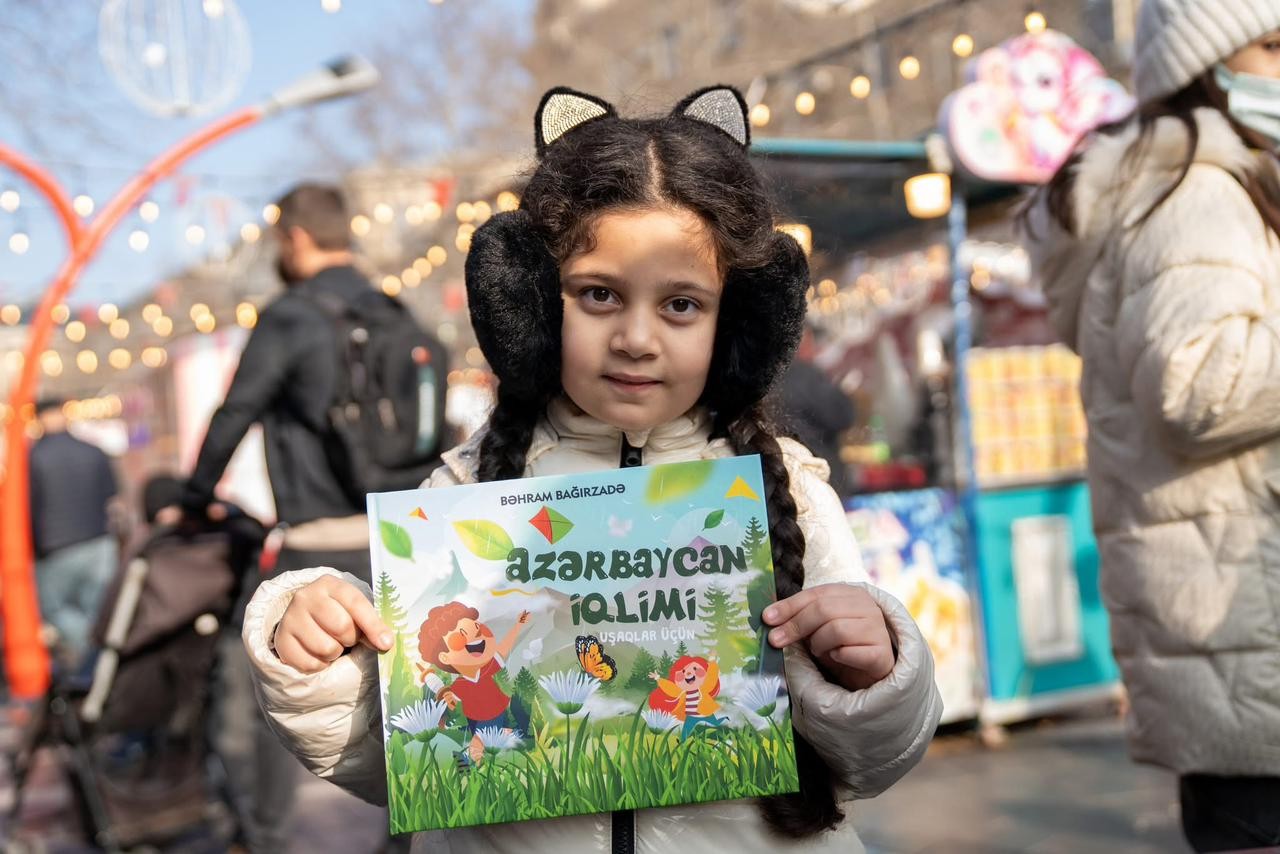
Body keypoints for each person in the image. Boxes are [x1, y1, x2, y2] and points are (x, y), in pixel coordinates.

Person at [241, 85, 942, 853]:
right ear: (536, 301)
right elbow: (395, 758)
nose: (637, 338)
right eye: (599, 295)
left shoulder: (793, 495)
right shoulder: (462, 497)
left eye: (682, 305)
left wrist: (871, 674)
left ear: (734, 317)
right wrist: (318, 664)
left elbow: (871, 762)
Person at [1024, 2, 1280, 849]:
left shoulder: (1172, 179)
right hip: (1249, 636)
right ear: (1203, 64)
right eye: (1274, 46)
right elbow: (1200, 382)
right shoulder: (1198, 187)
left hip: (1233, 634)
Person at [180, 184, 426, 853]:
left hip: (317, 551)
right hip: (409, 538)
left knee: (255, 696)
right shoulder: (396, 311)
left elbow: (235, 412)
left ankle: (265, 837)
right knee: (412, 704)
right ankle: (404, 843)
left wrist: (193, 494)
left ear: (293, 237)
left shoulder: (291, 316)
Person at [28, 396, 119, 670]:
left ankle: (87, 666)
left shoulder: (32, 458)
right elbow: (111, 496)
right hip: (99, 543)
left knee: (55, 610)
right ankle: (102, 667)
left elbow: (28, 507)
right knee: (100, 611)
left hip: (55, 548)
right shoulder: (93, 451)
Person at [775, 326, 856, 499]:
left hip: (779, 483)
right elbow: (843, 415)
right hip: (818, 480)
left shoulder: (762, 377)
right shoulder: (805, 375)